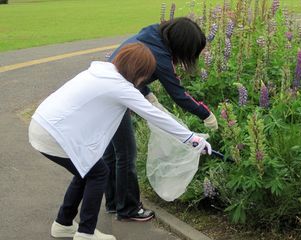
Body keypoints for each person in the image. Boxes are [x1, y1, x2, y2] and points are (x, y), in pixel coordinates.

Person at [28, 43, 212, 240]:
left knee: (87, 170)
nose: (144, 81)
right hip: (55, 134)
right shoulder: (120, 87)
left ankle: (63, 224)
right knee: (98, 173)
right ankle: (85, 234)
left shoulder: (100, 72)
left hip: (41, 125)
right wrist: (191, 138)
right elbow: (154, 115)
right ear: (138, 72)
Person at [103, 17, 218, 222]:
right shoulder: (159, 54)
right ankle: (128, 209)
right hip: (115, 100)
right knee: (126, 154)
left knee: (113, 153)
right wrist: (205, 114)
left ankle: (114, 203)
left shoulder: (150, 36)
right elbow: (178, 94)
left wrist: (145, 91)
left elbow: (128, 70)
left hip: (107, 94)